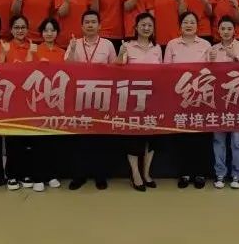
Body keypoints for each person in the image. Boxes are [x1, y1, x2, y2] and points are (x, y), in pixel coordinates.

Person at [65, 11, 118, 190]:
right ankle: (79, 176)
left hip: (102, 96)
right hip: (79, 96)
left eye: (93, 22)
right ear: (82, 26)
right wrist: (73, 50)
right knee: (80, 139)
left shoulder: (107, 45)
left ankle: (100, 175)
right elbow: (67, 67)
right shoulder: (75, 43)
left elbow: (115, 69)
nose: (90, 25)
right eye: (86, 22)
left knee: (100, 139)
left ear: (99, 25)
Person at [0, 15, 49, 191]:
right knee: (13, 138)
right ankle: (12, 174)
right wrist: (4, 54)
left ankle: (27, 173)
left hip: (31, 100)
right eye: (16, 27)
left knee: (29, 139)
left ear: (27, 29)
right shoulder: (5, 46)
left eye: (23, 27)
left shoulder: (35, 47)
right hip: (11, 99)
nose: (20, 30)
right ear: (11, 30)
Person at [164, 12, 212, 189]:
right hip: (180, 97)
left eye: (192, 22)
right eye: (185, 22)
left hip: (201, 97)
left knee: (201, 137)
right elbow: (165, 70)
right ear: (180, 26)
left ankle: (200, 173)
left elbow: (212, 71)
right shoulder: (172, 45)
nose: (189, 25)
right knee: (182, 137)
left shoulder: (206, 45)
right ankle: (184, 173)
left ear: (197, 26)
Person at [117, 12, 162, 191]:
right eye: (143, 25)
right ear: (136, 27)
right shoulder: (127, 46)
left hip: (154, 98)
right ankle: (135, 174)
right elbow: (117, 70)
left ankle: (146, 173)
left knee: (152, 138)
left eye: (149, 25)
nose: (146, 28)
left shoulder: (157, 48)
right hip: (132, 98)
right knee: (133, 137)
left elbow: (165, 72)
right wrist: (120, 55)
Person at [208, 16, 239, 189]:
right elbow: (204, 74)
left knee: (237, 140)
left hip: (238, 100)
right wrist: (210, 61)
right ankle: (220, 174)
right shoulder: (212, 49)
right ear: (218, 31)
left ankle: (237, 174)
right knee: (218, 140)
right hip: (217, 101)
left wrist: (235, 58)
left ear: (234, 31)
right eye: (223, 28)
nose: (226, 32)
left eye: (229, 29)